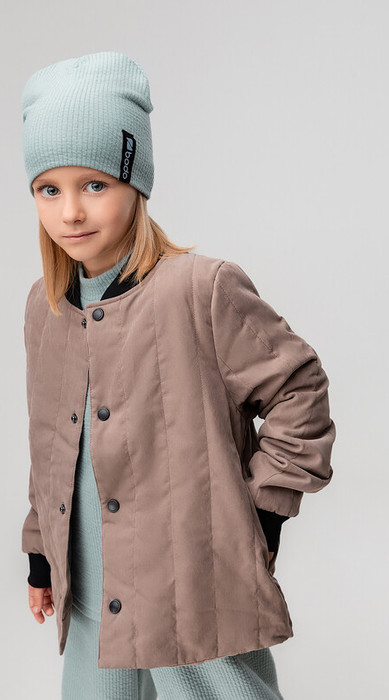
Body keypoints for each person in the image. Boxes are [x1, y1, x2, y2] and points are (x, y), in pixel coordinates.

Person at [19, 51, 336, 700]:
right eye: (49, 189)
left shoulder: (199, 289)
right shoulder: (45, 308)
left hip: (190, 594)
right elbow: (51, 440)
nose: (70, 211)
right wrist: (40, 552)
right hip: (91, 594)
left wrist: (261, 514)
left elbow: (299, 389)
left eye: (95, 185)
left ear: (135, 182)